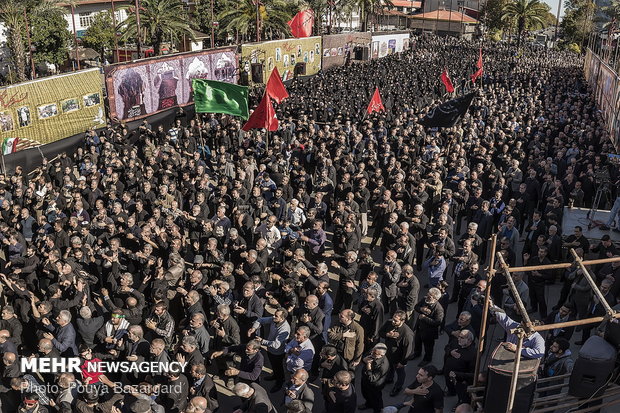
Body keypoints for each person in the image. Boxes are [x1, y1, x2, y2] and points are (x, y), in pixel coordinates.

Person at [360, 343, 390, 413]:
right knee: (366, 394)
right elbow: (364, 357)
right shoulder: (374, 351)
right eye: (372, 351)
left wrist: (368, 366)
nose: (371, 354)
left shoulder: (383, 366)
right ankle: (368, 404)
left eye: (375, 353)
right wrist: (364, 360)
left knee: (376, 399)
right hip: (365, 379)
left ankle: (378, 410)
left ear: (381, 355)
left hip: (374, 386)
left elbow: (372, 379)